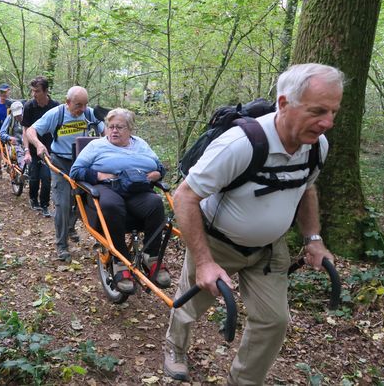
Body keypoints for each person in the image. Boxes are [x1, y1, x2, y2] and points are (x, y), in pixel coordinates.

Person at [164, 63, 343, 384]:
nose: (327, 123)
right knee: (189, 307)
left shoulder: (317, 147)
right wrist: (204, 262)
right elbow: (185, 196)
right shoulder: (240, 145)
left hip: (269, 250)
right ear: (285, 103)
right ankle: (175, 347)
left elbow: (306, 188)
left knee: (274, 321)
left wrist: (313, 239)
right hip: (218, 244)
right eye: (318, 110)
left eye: (333, 111)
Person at [70, 108, 170, 293]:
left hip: (136, 188)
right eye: (111, 126)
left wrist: (158, 174)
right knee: (110, 205)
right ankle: (120, 260)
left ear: (130, 129)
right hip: (108, 187)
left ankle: (152, 256)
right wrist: (98, 175)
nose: (114, 131)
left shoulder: (141, 144)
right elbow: (75, 172)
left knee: (156, 203)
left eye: (120, 127)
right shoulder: (96, 146)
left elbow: (159, 166)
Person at [26, 86, 104, 262]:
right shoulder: (57, 114)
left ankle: (71, 226)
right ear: (67, 102)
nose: (82, 109)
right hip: (60, 163)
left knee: (86, 200)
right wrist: (38, 145)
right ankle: (61, 245)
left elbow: (105, 129)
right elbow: (31, 130)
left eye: (85, 104)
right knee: (62, 203)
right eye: (78, 105)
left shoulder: (89, 113)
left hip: (83, 163)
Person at [21, 77, 59, 218]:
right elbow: (25, 130)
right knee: (34, 177)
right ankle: (33, 199)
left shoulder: (55, 107)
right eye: (32, 91)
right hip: (32, 148)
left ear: (46, 91)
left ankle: (44, 205)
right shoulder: (29, 106)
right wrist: (26, 151)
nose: (34, 94)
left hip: (49, 150)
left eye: (37, 91)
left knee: (46, 177)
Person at [0, 100, 26, 170]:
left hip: (27, 143)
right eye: (16, 115)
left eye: (19, 114)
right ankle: (24, 169)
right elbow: (1, 133)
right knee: (19, 152)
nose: (18, 117)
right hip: (15, 144)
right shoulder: (10, 118)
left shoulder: (28, 117)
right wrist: (9, 138)